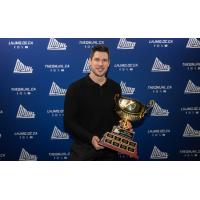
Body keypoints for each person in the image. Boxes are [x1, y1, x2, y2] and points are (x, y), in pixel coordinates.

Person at [64, 44, 131, 161]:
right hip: (83, 152)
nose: (100, 64)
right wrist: (90, 138)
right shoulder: (75, 88)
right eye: (97, 59)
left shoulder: (116, 88)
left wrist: (124, 126)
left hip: (110, 151)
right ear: (90, 61)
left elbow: (117, 116)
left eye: (104, 60)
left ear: (109, 63)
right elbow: (69, 122)